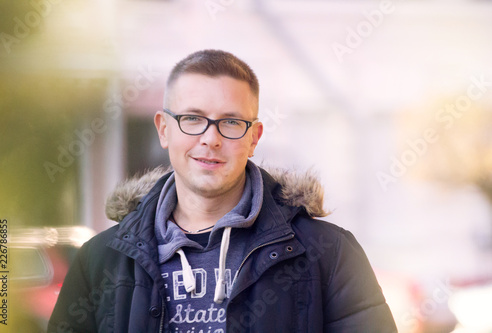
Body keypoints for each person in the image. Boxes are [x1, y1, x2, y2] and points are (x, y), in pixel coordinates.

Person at [48, 49, 397, 332]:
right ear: (164, 129)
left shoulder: (328, 253)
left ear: (254, 137)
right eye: (192, 118)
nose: (210, 139)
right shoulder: (101, 260)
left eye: (230, 122)